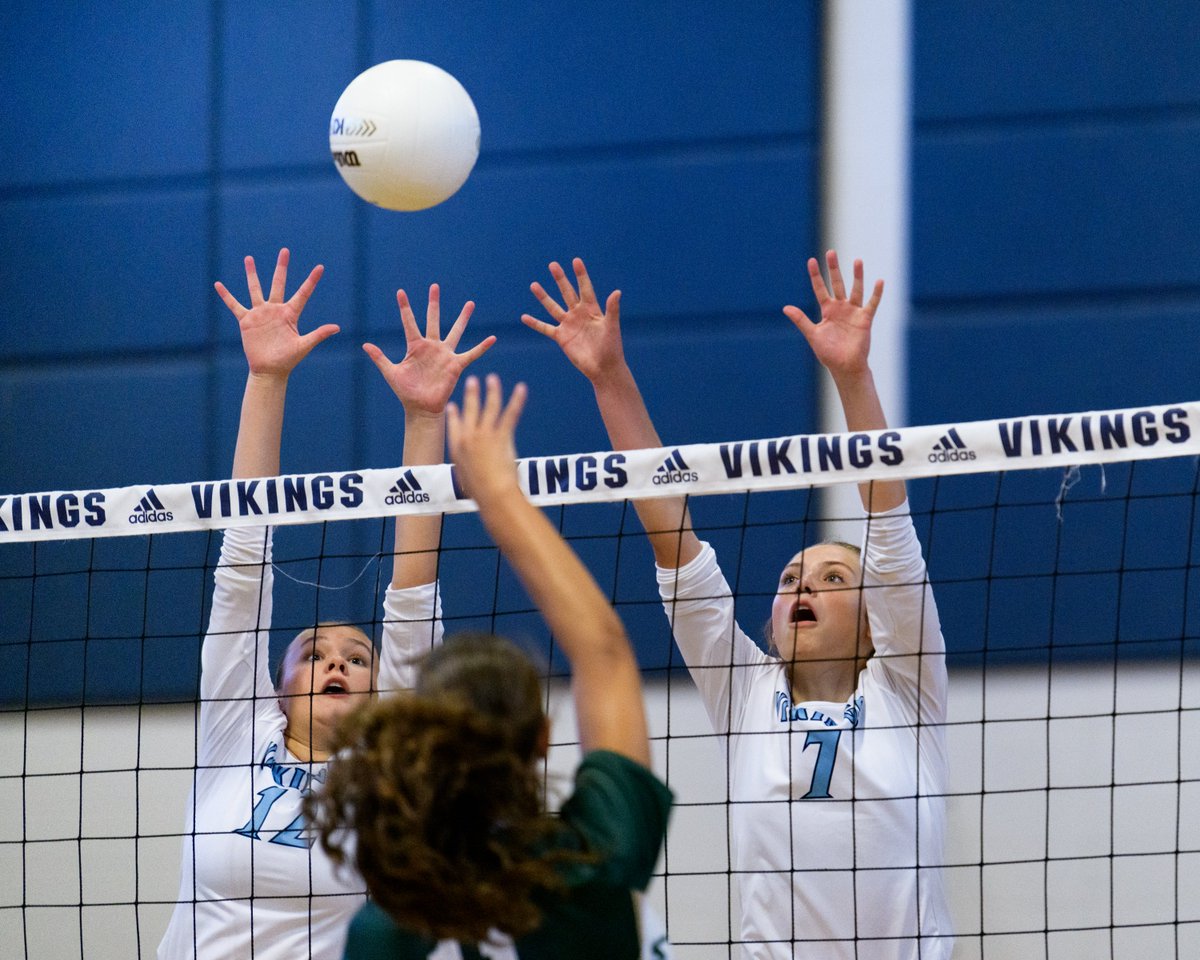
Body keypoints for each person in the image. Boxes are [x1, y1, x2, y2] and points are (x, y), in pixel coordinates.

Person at [522, 253, 951, 959]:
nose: (802, 588)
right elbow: (674, 540)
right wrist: (610, 379)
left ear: (879, 624)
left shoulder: (908, 683)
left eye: (835, 580)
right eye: (788, 581)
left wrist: (852, 376)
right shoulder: (744, 689)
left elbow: (890, 529)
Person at [158, 249, 494, 960]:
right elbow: (243, 562)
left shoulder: (388, 766)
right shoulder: (234, 737)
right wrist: (265, 378)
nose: (338, 664)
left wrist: (424, 417)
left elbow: (411, 598)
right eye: (315, 654)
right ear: (278, 685)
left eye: (357, 658)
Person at [308, 374, 674, 960]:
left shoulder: (384, 927)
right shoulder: (597, 862)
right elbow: (603, 651)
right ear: (541, 741)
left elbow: (603, 654)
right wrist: (499, 492)